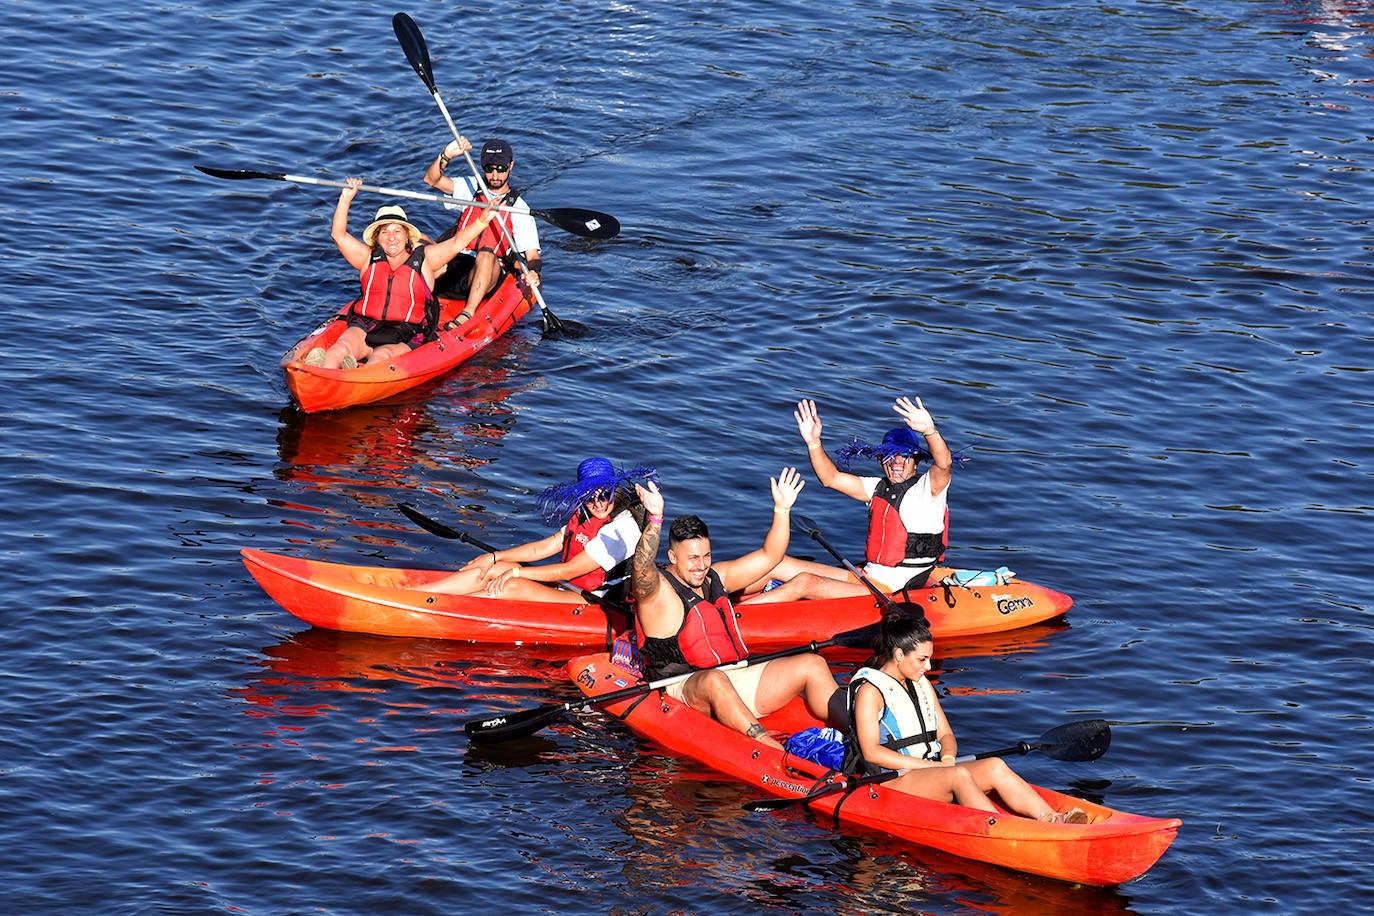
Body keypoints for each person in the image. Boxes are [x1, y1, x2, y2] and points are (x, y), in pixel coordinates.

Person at [629, 469, 847, 748]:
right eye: (692, 558)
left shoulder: (715, 577)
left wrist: (782, 510)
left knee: (812, 663)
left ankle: (861, 733)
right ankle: (768, 747)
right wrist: (656, 519)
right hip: (686, 687)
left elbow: (771, 556)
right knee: (714, 680)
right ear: (672, 556)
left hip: (736, 676)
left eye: (706, 555)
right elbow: (641, 569)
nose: (701, 565)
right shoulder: (658, 593)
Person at [848, 609, 1088, 823]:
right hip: (893, 780)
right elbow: (871, 751)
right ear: (899, 654)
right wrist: (930, 767)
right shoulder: (871, 691)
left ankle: (1052, 818)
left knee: (995, 765)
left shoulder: (921, 684)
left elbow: (945, 734)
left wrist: (948, 757)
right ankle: (1001, 830)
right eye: (922, 659)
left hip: (933, 770)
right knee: (959, 775)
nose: (929, 667)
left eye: (929, 658)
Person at [744, 396, 954, 604]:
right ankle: (717, 592)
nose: (896, 462)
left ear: (916, 461)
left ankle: (731, 620)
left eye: (904, 456)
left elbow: (944, 463)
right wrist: (813, 442)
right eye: (890, 455)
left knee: (804, 582)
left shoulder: (929, 489)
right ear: (881, 460)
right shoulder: (877, 487)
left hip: (893, 590)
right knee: (779, 565)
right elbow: (830, 478)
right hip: (865, 577)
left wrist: (929, 430)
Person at [304, 178, 498, 370]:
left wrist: (482, 221)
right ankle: (321, 373)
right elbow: (338, 235)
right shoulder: (366, 257)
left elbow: (457, 243)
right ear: (377, 238)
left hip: (406, 331)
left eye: (397, 231)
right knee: (341, 347)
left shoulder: (425, 259)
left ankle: (354, 375)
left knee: (382, 355)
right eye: (385, 232)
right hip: (366, 325)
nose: (391, 237)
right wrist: (346, 198)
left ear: (407, 236)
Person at [423, 457, 655, 602]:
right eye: (589, 497)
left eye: (605, 494)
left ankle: (437, 608)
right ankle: (419, 594)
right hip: (567, 588)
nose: (599, 503)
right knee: (497, 568)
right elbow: (548, 546)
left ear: (614, 490)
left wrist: (517, 573)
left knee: (511, 583)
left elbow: (569, 571)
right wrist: (494, 557)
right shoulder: (586, 513)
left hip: (594, 601)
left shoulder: (621, 526)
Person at [422, 136, 541, 325]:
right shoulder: (471, 187)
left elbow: (533, 256)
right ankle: (412, 298)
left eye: (501, 169)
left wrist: (533, 272)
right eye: (489, 169)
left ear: (511, 166)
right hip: (455, 265)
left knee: (485, 253)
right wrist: (446, 155)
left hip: (487, 272)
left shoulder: (519, 208)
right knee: (416, 238)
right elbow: (431, 179)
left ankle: (467, 313)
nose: (495, 175)